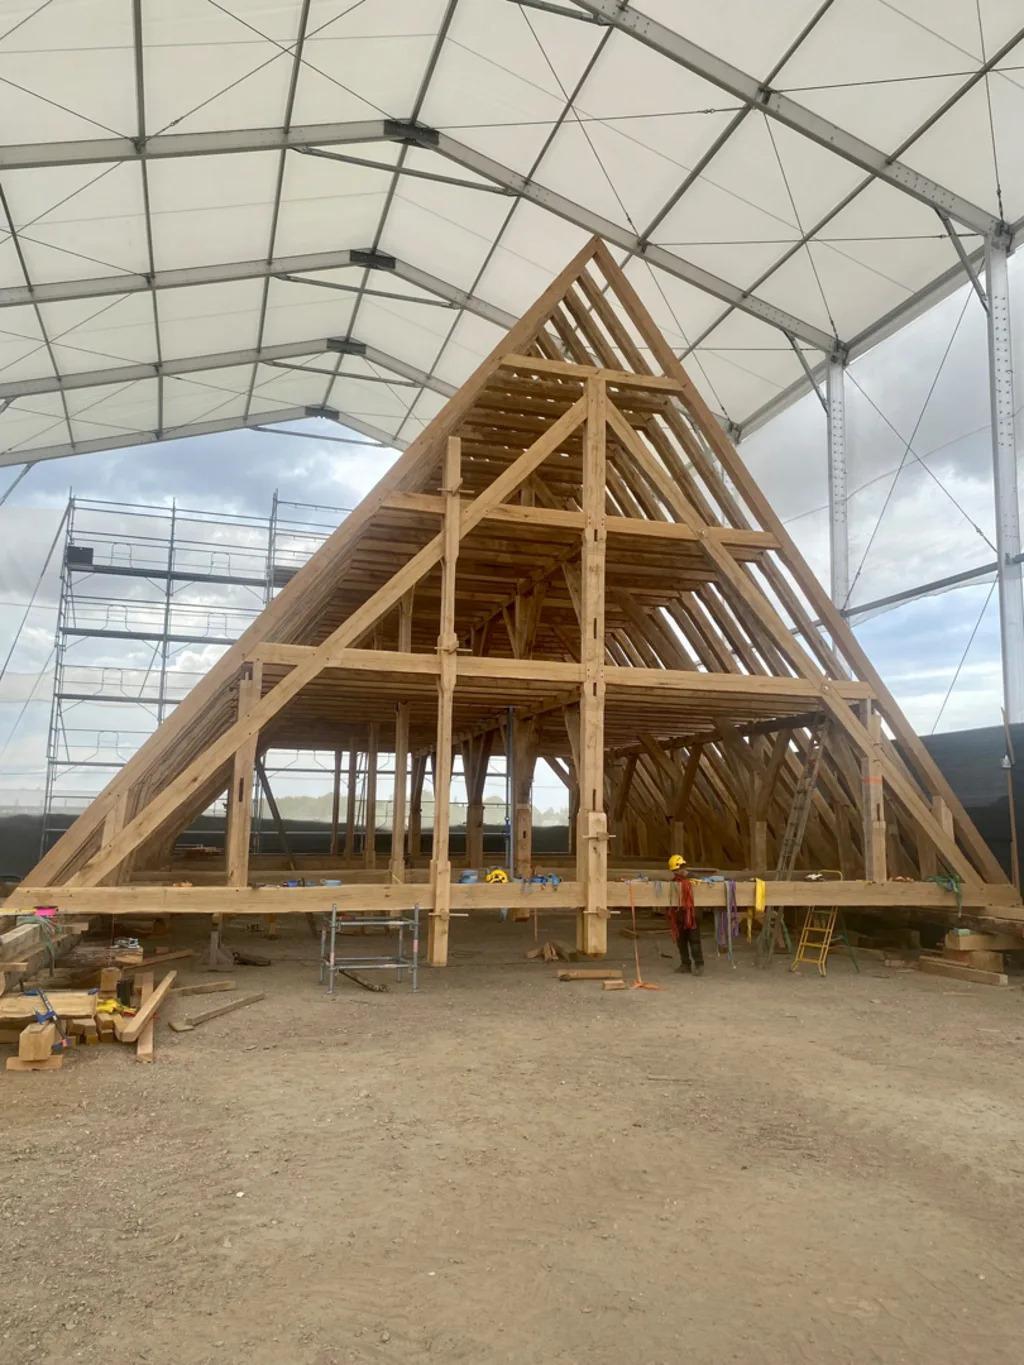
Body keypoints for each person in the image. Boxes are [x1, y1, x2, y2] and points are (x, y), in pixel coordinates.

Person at [666, 854, 703, 976]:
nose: (676, 873)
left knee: (694, 941)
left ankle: (699, 965)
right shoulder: (674, 882)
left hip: (693, 915)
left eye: (677, 870)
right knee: (681, 941)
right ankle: (685, 964)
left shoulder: (695, 879)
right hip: (680, 915)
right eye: (674, 871)